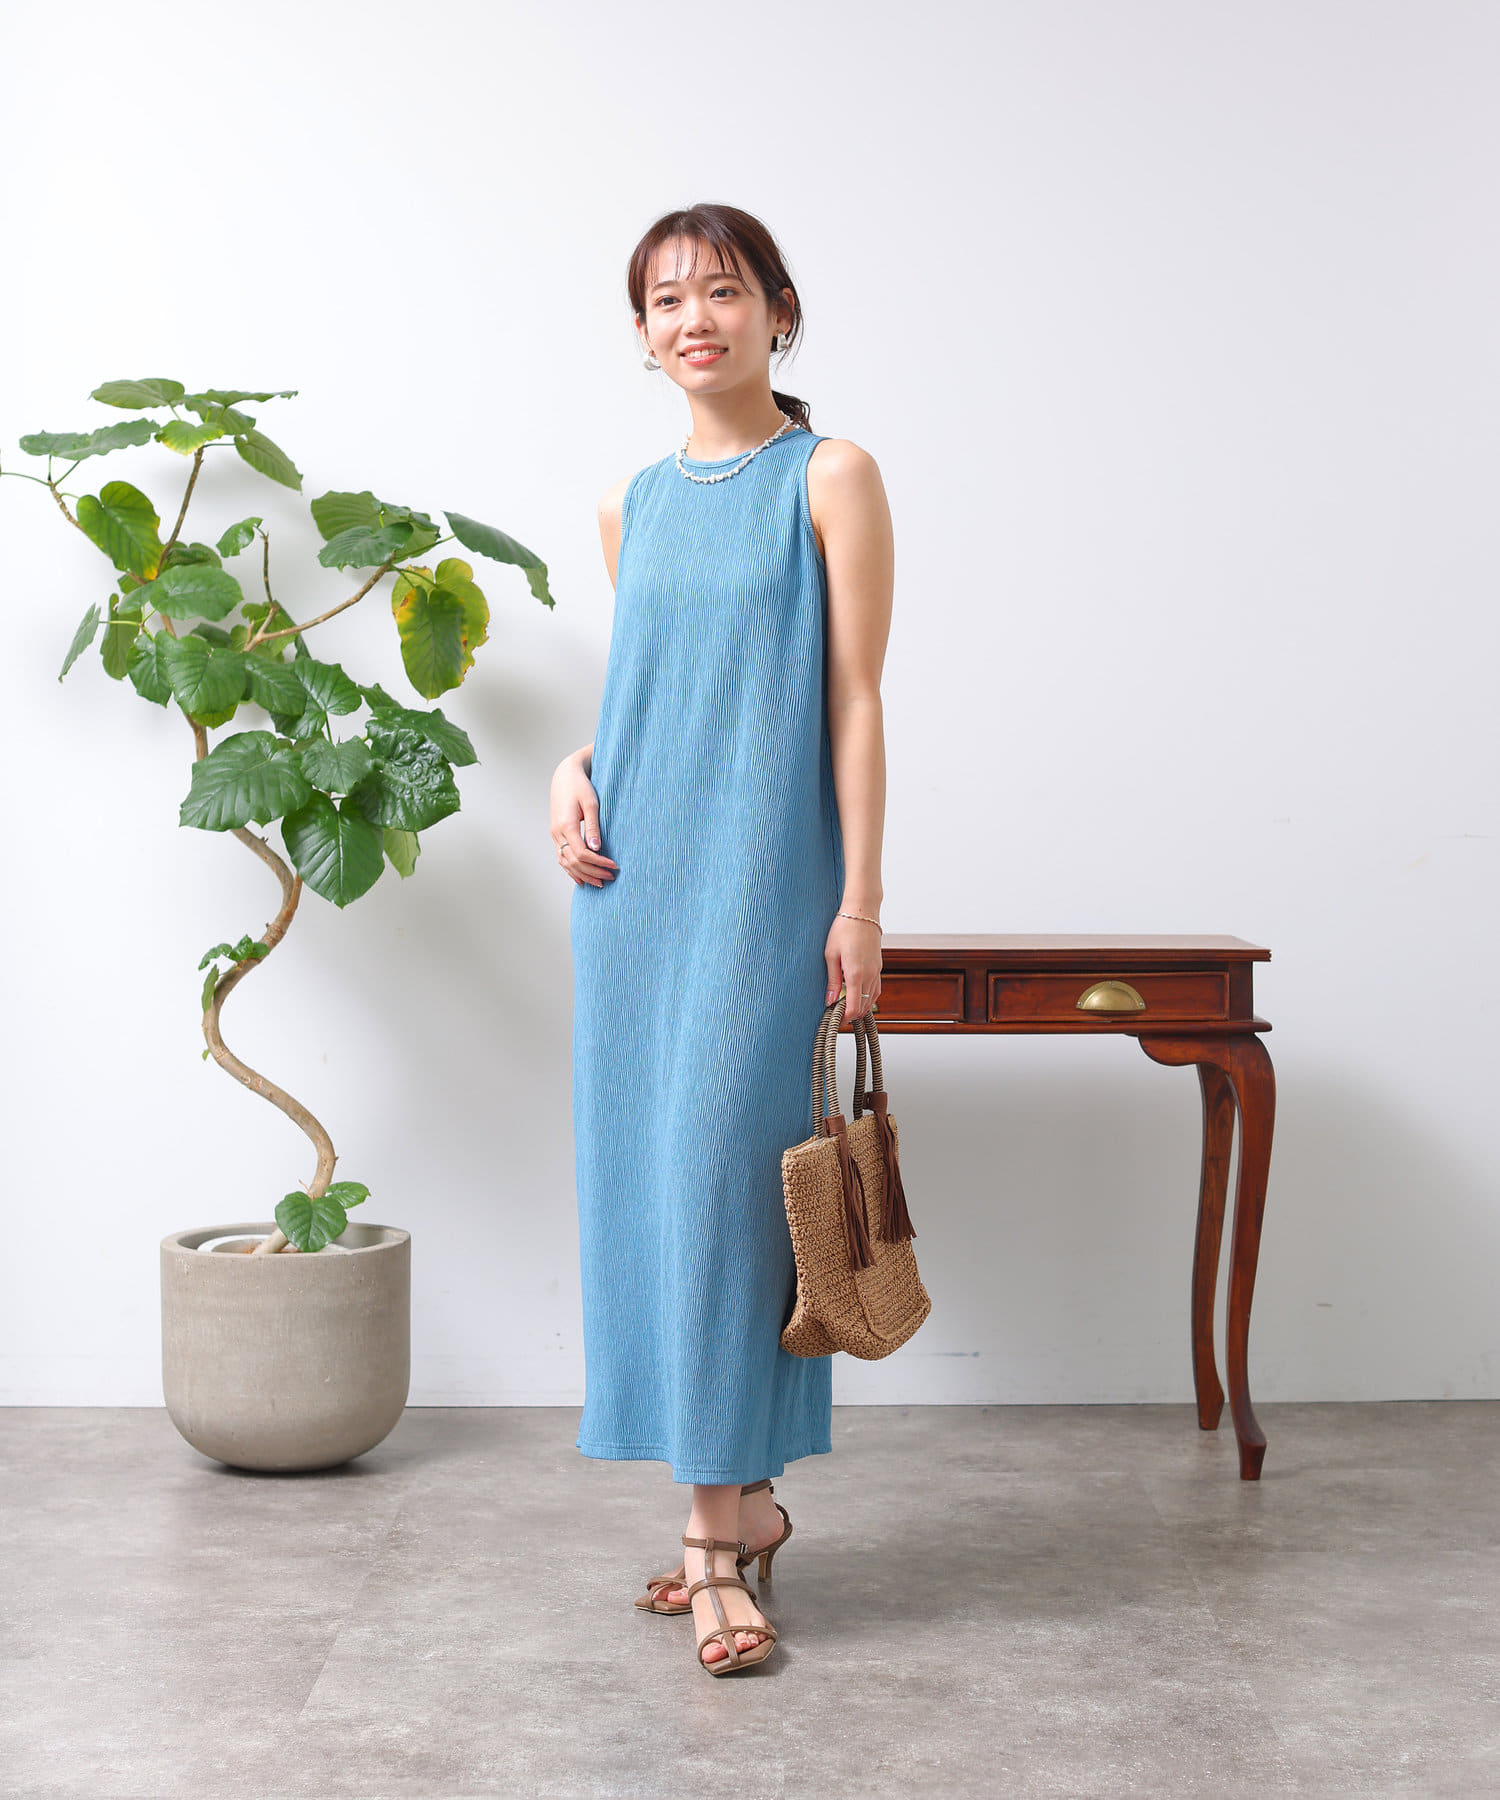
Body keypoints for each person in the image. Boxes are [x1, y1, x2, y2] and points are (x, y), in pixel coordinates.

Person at [550, 201, 894, 1675]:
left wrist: (860, 902)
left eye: (726, 290)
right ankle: (736, 1507)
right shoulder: (628, 505)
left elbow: (854, 699)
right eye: (668, 300)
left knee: (727, 1191)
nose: (697, 318)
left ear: (779, 313)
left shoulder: (831, 476)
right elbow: (660, 693)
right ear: (642, 335)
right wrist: (570, 767)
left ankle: (710, 1544)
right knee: (655, 1191)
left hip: (766, 886)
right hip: (631, 894)